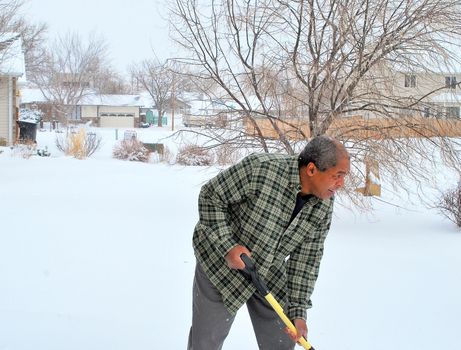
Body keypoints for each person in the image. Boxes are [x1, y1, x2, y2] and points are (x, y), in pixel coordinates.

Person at [187, 136, 350, 350]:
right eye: (337, 176)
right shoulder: (261, 169)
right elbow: (211, 196)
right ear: (311, 169)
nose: (341, 184)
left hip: (267, 271)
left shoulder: (323, 203)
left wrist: (298, 311)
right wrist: (228, 246)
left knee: (281, 343)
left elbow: (306, 261)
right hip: (220, 265)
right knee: (205, 343)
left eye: (343, 177)